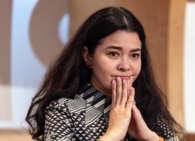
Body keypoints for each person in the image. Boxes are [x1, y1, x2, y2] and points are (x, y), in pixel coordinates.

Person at [26, 6, 185, 141]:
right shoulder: (62, 110)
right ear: (88, 56)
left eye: (134, 55)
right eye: (113, 54)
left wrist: (150, 137)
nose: (125, 66)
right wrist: (113, 134)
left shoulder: (146, 107)